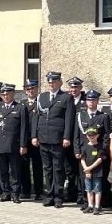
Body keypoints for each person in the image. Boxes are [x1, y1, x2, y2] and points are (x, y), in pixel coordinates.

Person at [32, 71, 75, 209]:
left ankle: (58, 196)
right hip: (43, 138)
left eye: (54, 82)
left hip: (58, 139)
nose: (51, 84)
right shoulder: (42, 97)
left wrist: (67, 137)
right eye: (49, 82)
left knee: (58, 169)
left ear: (60, 83)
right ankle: (49, 195)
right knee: (47, 169)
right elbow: (36, 117)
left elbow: (69, 119)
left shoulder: (66, 98)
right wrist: (34, 135)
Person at [0, 82, 29, 202]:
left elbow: (24, 128)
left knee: (15, 171)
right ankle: (5, 192)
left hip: (14, 145)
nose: (6, 96)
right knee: (2, 170)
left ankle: (15, 193)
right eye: (4, 94)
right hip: (0, 143)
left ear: (13, 94)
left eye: (8, 94)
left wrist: (23, 145)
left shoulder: (20, 108)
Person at [78, 126, 106, 215]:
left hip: (97, 172)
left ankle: (97, 206)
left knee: (97, 190)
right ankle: (90, 205)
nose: (91, 137)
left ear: (97, 135)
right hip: (87, 172)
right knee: (88, 190)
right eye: (90, 135)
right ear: (87, 136)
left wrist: (90, 168)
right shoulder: (85, 147)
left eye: (93, 135)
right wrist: (86, 169)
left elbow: (100, 159)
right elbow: (82, 159)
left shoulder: (100, 147)